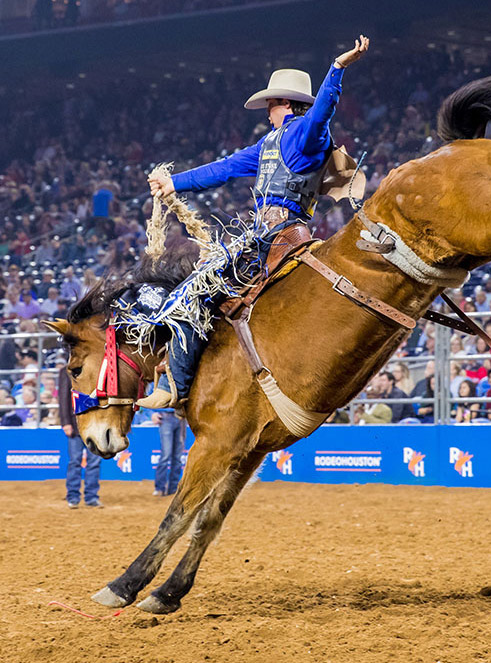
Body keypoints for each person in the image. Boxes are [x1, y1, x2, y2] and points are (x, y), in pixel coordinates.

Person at [138, 35, 370, 409]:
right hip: (265, 235)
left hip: (277, 236)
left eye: (271, 103)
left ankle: (177, 385)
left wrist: (337, 69)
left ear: (286, 103)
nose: (266, 111)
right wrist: (174, 182)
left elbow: (323, 112)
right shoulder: (269, 143)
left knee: (191, 292)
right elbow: (224, 169)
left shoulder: (305, 135)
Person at [58, 366, 102, 508]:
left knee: (93, 463)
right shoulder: (67, 371)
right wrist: (65, 422)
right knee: (75, 461)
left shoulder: (97, 369)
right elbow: (63, 398)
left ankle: (91, 497)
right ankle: (73, 496)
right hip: (76, 423)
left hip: (94, 424)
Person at [151, 407, 187, 497]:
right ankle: (159, 488)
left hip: (181, 417)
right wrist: (152, 413)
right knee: (166, 455)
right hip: (165, 416)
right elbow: (148, 396)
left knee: (177, 457)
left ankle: (173, 489)